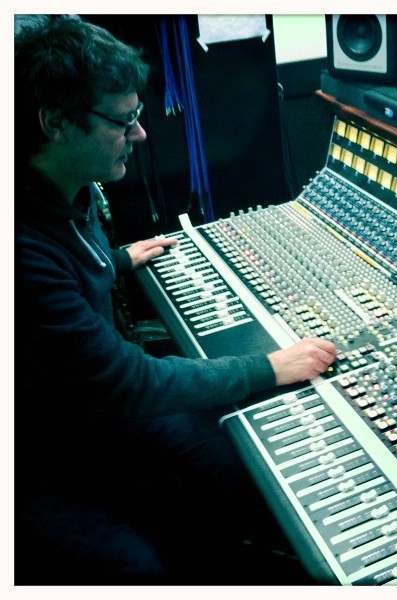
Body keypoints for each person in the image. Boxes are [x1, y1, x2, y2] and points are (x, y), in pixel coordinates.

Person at [14, 15, 337, 585]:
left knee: (223, 458)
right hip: (44, 459)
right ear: (56, 123)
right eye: (124, 121)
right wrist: (269, 367)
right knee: (143, 571)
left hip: (92, 415)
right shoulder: (21, 248)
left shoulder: (61, 187)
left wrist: (116, 259)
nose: (141, 134)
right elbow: (127, 382)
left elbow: (69, 272)